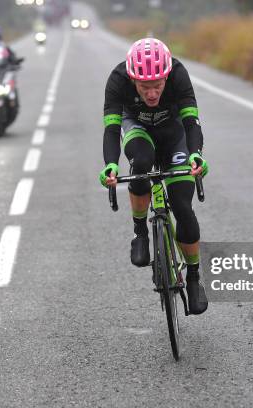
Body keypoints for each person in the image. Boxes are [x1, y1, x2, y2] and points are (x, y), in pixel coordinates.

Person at [99, 38, 209, 315]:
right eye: (144, 87)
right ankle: (140, 234)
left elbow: (192, 122)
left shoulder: (178, 74)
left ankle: (194, 278)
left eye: (157, 86)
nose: (151, 94)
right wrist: (111, 165)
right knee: (142, 164)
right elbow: (112, 131)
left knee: (183, 206)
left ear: (166, 76)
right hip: (137, 128)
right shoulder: (117, 79)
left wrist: (196, 155)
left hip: (174, 134)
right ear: (132, 79)